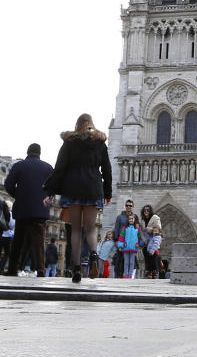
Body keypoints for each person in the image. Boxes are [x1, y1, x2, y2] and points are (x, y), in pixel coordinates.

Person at [44, 114, 112, 283]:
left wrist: (50, 190)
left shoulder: (69, 142)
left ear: (77, 125)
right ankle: (94, 256)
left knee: (75, 230)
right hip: (93, 188)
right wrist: (107, 192)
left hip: (73, 188)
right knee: (90, 230)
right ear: (91, 125)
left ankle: (76, 269)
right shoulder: (100, 143)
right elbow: (107, 170)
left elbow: (59, 168)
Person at [3, 144, 54, 277]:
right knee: (39, 240)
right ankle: (41, 270)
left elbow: (8, 185)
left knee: (18, 240)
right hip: (40, 210)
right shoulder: (48, 167)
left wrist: (18, 195)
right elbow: (54, 188)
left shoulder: (19, 166)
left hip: (23, 208)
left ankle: (12, 269)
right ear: (39, 153)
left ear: (27, 152)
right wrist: (46, 199)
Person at [113, 199, 140, 277]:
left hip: (132, 244)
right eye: (127, 205)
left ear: (133, 207)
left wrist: (140, 242)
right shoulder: (119, 217)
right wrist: (116, 240)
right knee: (119, 260)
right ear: (125, 206)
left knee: (131, 261)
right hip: (121, 242)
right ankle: (118, 276)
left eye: (130, 206)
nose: (128, 207)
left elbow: (138, 229)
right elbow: (116, 228)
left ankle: (130, 275)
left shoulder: (135, 217)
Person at [140, 204, 162, 278]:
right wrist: (144, 240)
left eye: (148, 210)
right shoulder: (142, 220)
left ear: (150, 211)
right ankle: (148, 272)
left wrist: (148, 229)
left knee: (153, 256)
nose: (146, 211)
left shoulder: (155, 218)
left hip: (153, 239)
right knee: (146, 257)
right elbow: (142, 232)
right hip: (146, 241)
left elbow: (158, 229)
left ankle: (154, 272)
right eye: (145, 210)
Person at [117, 214, 142, 278]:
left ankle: (130, 275)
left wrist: (140, 244)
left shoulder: (137, 229)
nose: (131, 220)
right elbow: (121, 237)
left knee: (131, 262)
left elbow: (139, 238)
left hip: (134, 247)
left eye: (132, 219)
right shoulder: (125, 228)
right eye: (129, 219)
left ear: (134, 220)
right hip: (126, 247)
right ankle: (126, 275)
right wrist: (120, 245)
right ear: (128, 220)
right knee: (126, 262)